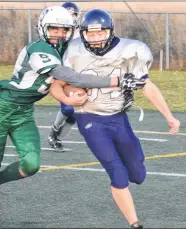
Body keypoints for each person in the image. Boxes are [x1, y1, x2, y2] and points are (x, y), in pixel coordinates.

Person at [0, 6, 129, 215]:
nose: (59, 34)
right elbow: (73, 77)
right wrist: (116, 81)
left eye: (64, 30)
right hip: (1, 110)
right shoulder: (39, 49)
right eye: (54, 29)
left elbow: (64, 80)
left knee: (31, 165)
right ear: (43, 28)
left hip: (24, 113)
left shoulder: (63, 48)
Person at [50, 9, 180, 228]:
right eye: (90, 34)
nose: (95, 38)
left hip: (118, 118)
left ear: (109, 31)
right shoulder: (74, 49)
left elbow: (146, 86)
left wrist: (169, 116)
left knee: (138, 174)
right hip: (89, 117)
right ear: (82, 34)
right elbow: (58, 84)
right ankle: (134, 223)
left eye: (100, 33)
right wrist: (69, 98)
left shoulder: (131, 50)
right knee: (117, 173)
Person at [48, 2, 81, 152]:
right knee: (68, 108)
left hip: (80, 73)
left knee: (77, 113)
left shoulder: (81, 32)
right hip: (63, 73)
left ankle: (57, 137)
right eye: (69, 15)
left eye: (73, 15)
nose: (71, 18)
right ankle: (54, 132)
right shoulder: (58, 33)